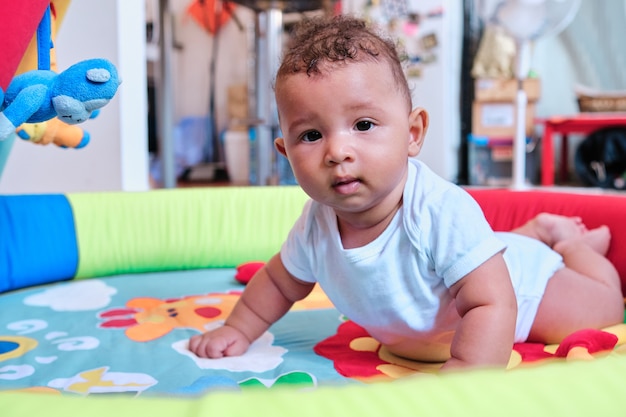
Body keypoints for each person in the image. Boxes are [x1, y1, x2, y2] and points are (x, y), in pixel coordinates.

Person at [189, 15, 624, 370]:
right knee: (476, 257)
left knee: (603, 310)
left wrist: (467, 375)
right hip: (464, 274)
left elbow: (492, 301)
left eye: (363, 125)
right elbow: (279, 283)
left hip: (525, 290)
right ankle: (528, 234)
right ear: (285, 151)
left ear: (412, 133)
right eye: (311, 135)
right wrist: (237, 329)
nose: (338, 152)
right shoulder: (316, 224)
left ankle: (570, 242)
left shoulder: (438, 210)